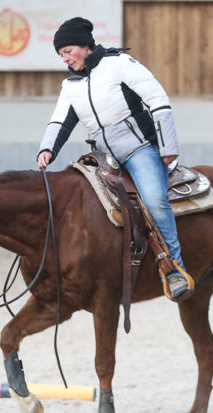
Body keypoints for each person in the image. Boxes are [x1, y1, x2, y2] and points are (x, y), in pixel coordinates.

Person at [36, 17, 191, 300]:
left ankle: (174, 268)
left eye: (68, 51)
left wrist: (168, 146)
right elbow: (59, 121)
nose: (65, 59)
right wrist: (47, 149)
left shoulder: (119, 64)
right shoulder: (70, 85)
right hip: (102, 156)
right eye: (61, 55)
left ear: (85, 45)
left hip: (139, 149)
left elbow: (157, 98)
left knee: (155, 199)